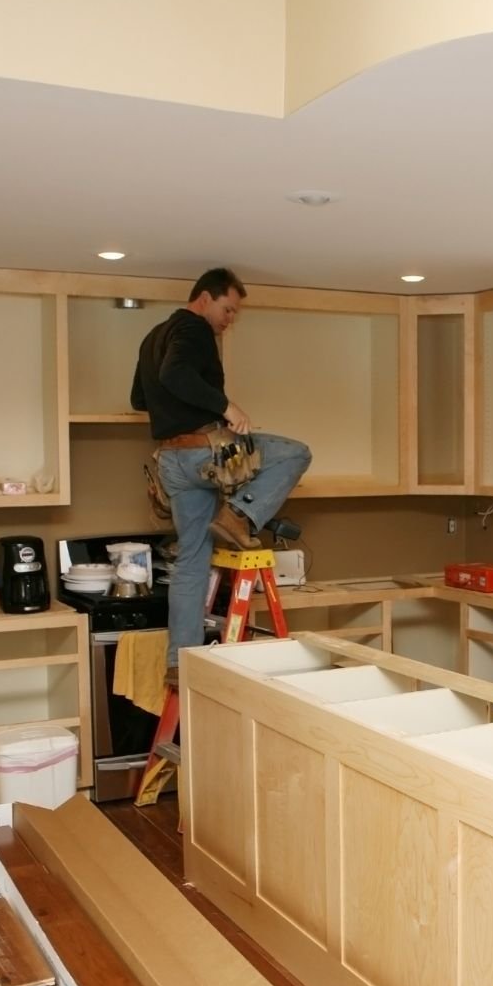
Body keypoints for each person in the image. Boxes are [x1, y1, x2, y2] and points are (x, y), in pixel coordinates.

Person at [130, 267, 312, 684]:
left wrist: (175, 409)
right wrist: (226, 408)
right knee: (296, 453)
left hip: (171, 464)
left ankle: (179, 662)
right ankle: (240, 516)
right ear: (204, 299)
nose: (230, 319)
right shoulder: (192, 329)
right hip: (204, 454)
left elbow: (140, 397)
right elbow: (175, 375)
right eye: (228, 309)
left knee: (191, 562)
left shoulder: (152, 337)